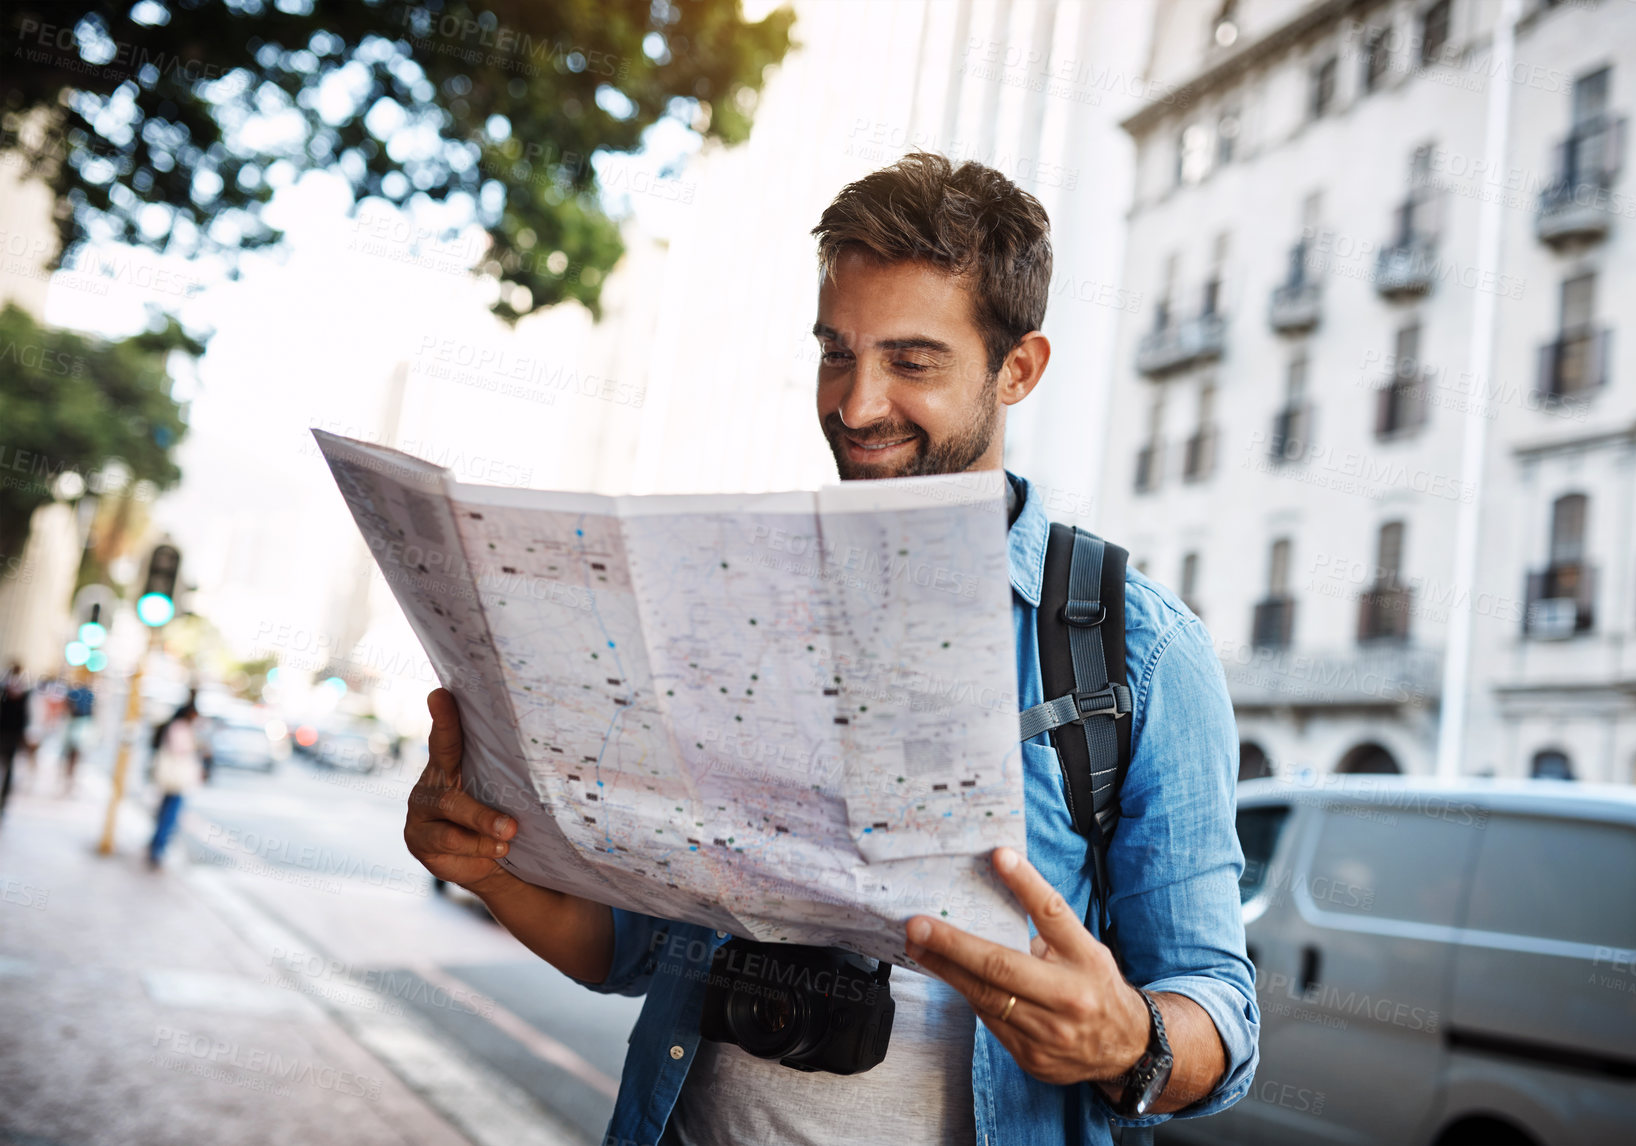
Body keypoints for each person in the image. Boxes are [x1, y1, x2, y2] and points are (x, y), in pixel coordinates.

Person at [404, 153, 1258, 1145]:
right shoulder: (735, 597)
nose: (855, 407)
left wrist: (1133, 1042)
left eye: (912, 361)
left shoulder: (1137, 651)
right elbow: (634, 952)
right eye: (835, 353)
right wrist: (488, 866)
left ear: (1016, 369)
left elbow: (1218, 1006)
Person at [147, 698, 202, 869]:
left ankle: (157, 845)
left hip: (173, 778)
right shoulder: (180, 727)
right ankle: (158, 848)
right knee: (170, 814)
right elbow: (181, 749)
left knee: (166, 812)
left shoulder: (176, 726)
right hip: (175, 778)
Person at [0, 661, 32, 820]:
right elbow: (25, 716)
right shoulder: (23, 691)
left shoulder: (5, 688)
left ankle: (4, 798)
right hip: (12, 734)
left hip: (8, 732)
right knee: (8, 767)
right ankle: (4, 798)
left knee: (6, 767)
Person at [62, 674, 95, 795]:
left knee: (75, 750)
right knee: (72, 750)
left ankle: (70, 773)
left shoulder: (87, 694)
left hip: (80, 723)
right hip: (77, 723)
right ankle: (69, 773)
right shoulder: (77, 693)